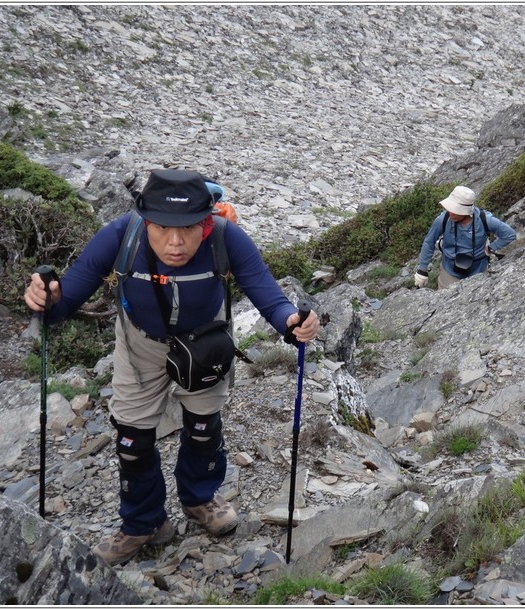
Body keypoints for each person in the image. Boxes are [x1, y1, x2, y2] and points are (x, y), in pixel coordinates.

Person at [23, 168, 320, 565]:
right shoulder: (119, 235)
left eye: (189, 227)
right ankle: (143, 523)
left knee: (202, 428)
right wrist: (46, 298)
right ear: (145, 220)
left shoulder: (226, 236)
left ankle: (199, 499)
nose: (175, 241)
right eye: (162, 228)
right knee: (132, 439)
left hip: (204, 344)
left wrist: (292, 322)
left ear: (207, 221)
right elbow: (65, 301)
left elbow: (265, 291)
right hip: (139, 344)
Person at [414, 185, 516, 289]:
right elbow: (429, 242)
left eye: (455, 210)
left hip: (479, 270)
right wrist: (422, 269)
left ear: (466, 210)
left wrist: (491, 247)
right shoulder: (443, 219)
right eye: (450, 209)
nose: (451, 213)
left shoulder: (485, 220)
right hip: (449, 272)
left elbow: (510, 235)